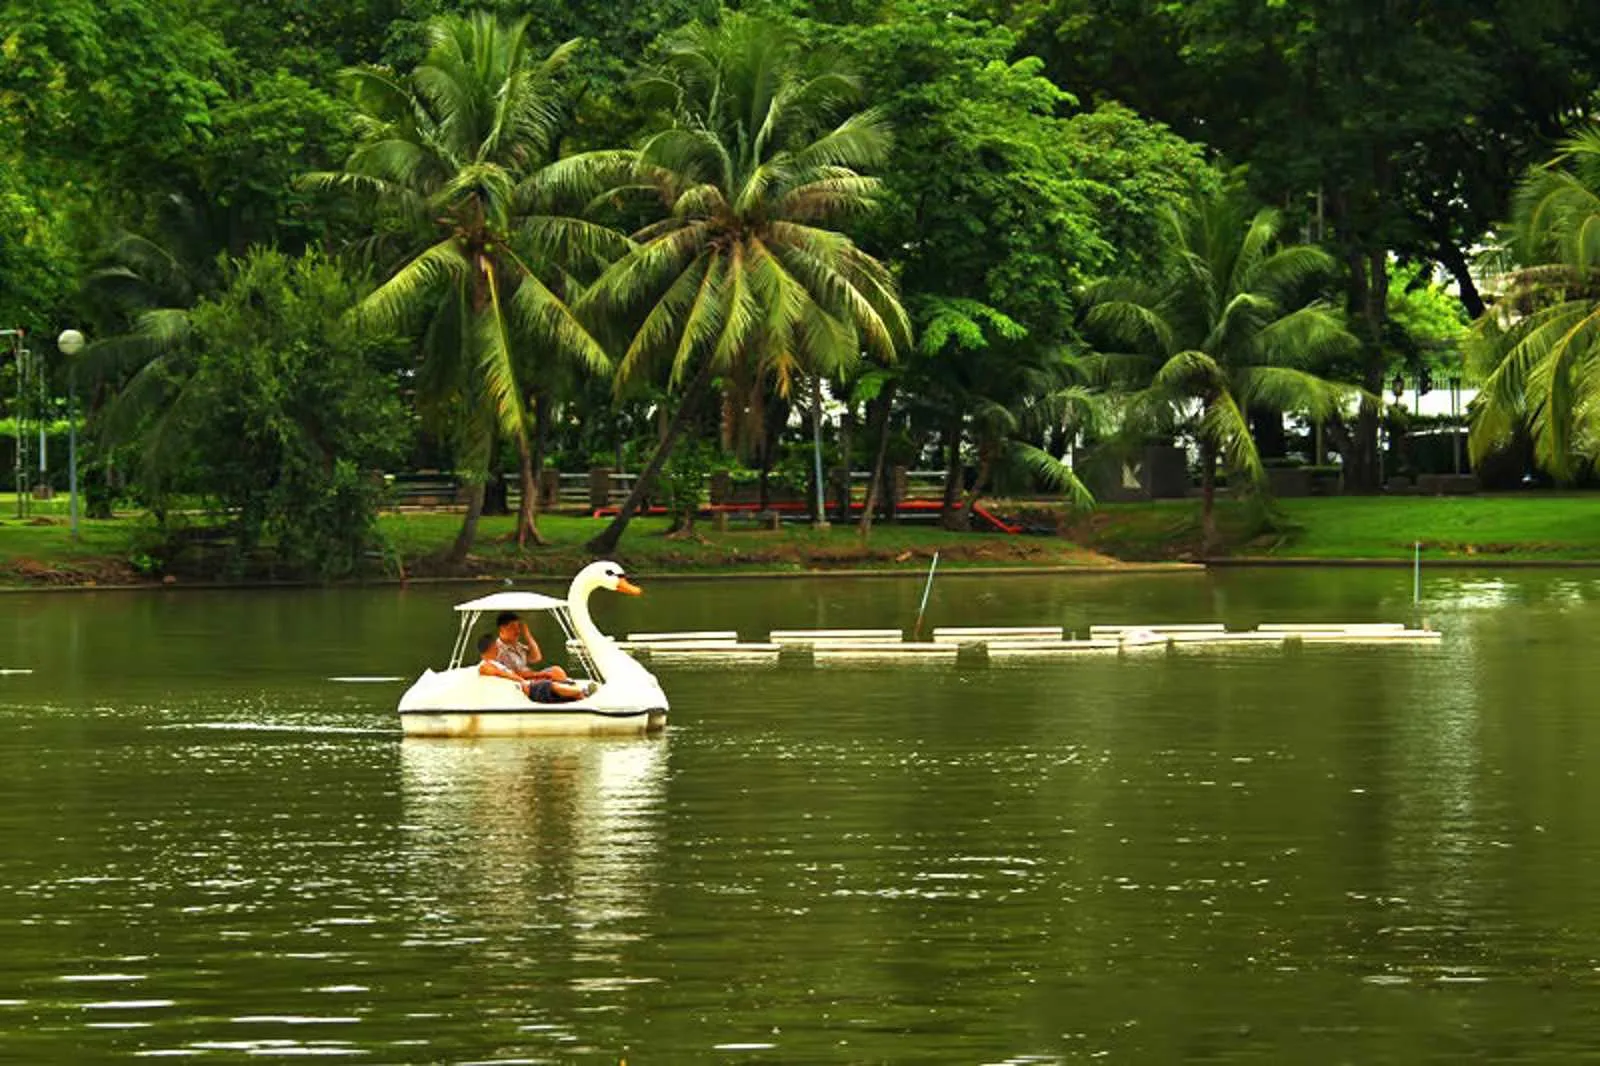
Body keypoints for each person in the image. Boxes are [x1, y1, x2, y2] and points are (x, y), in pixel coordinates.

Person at [477, 634, 586, 703]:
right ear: (492, 648)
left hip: (523, 686)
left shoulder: (494, 663)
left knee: (551, 678)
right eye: (497, 647)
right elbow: (504, 675)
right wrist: (524, 681)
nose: (499, 649)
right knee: (548, 685)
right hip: (523, 689)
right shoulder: (486, 666)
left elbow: (508, 674)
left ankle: (576, 692)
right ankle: (581, 691)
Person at [491, 611, 569, 682]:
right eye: (513, 627)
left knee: (557, 671)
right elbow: (513, 673)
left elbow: (536, 657)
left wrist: (528, 636)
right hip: (520, 682)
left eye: (518, 627)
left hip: (531, 678)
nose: (517, 631)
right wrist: (542, 675)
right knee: (556, 673)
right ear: (502, 629)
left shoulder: (517, 646)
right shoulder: (498, 649)